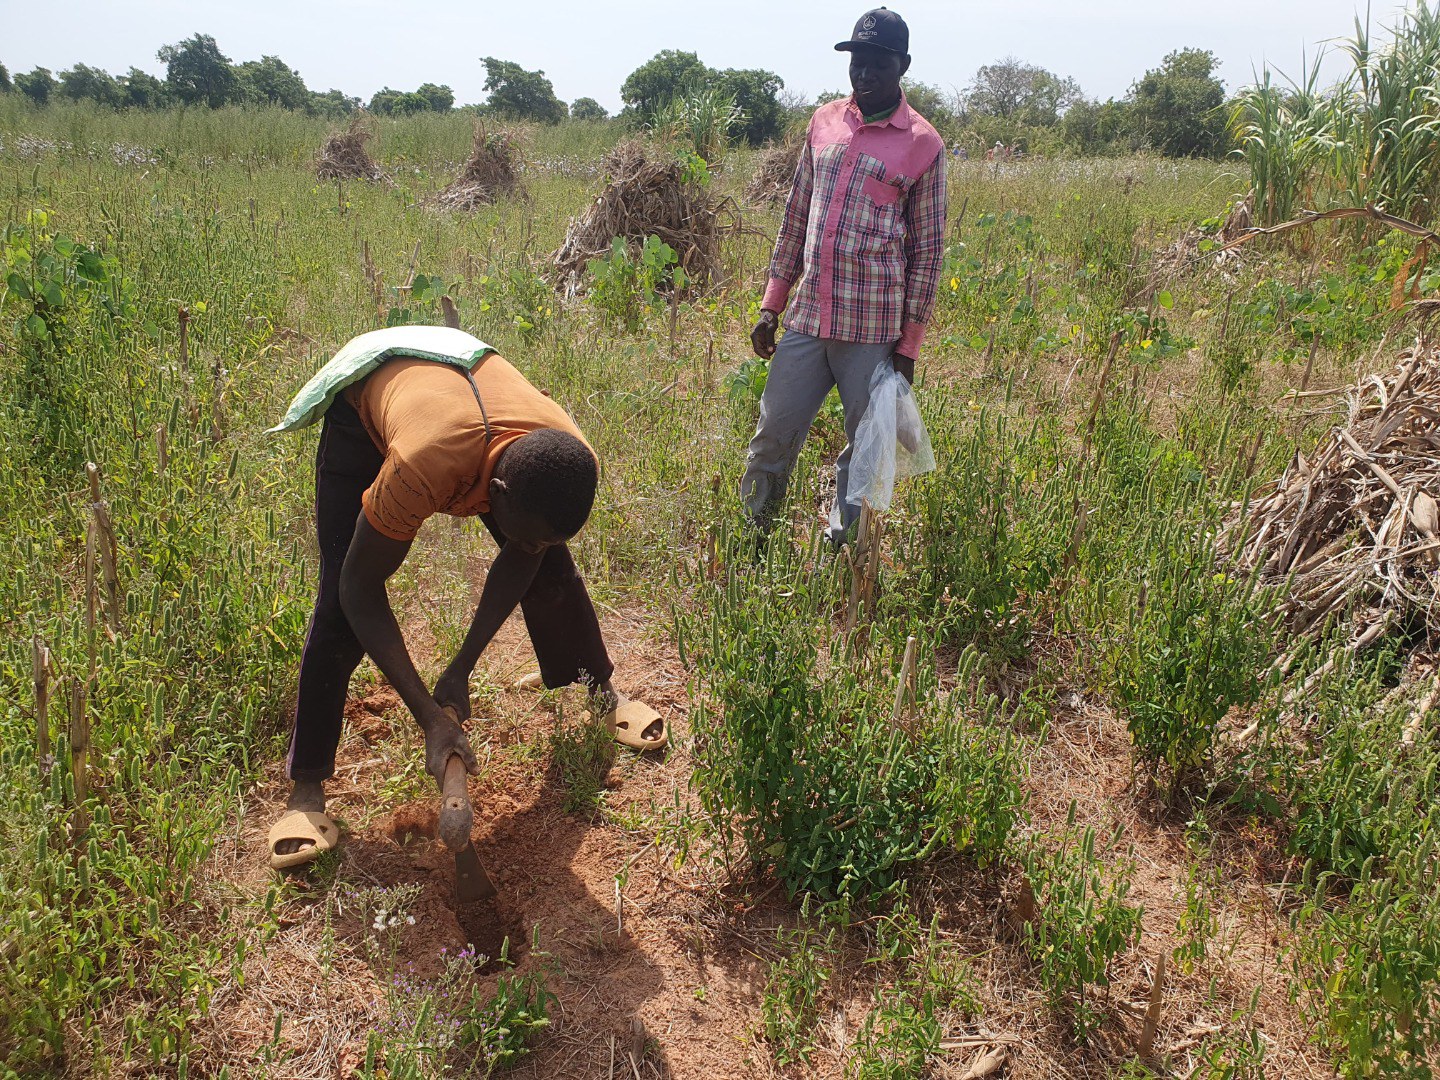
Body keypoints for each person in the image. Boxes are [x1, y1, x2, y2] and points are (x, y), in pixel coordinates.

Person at [267, 326, 666, 868]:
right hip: (373, 395)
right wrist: (431, 716)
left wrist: (461, 669)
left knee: (552, 573)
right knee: (339, 603)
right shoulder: (422, 465)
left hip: (467, 375)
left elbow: (528, 553)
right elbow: (360, 590)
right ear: (490, 494)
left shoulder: (568, 458)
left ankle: (602, 692)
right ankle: (307, 789)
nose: (527, 548)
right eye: (522, 536)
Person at [740, 7, 946, 545]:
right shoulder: (824, 122)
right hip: (808, 317)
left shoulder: (924, 144)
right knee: (772, 433)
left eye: (878, 62)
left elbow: (927, 252)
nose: (865, 73)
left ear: (902, 64)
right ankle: (754, 534)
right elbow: (795, 215)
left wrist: (909, 347)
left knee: (865, 450)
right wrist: (771, 303)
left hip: (873, 330)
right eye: (857, 60)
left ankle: (843, 551)